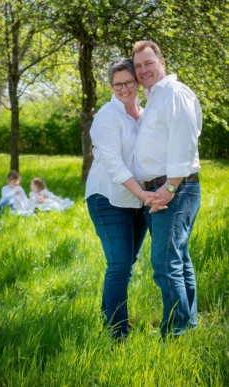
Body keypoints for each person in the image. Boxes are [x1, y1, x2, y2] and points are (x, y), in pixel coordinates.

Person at [85, 58, 165, 341]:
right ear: (111, 86)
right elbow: (115, 166)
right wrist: (143, 193)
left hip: (136, 203)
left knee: (125, 266)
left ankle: (108, 319)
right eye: (117, 84)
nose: (124, 88)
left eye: (129, 82)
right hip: (107, 198)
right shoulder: (107, 116)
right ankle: (117, 334)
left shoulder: (145, 114)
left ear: (137, 82)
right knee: (119, 265)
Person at [132, 40, 202, 339]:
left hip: (175, 187)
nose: (143, 70)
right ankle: (188, 324)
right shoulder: (154, 99)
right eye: (137, 66)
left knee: (164, 263)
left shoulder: (174, 92)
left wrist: (170, 186)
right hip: (162, 188)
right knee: (178, 259)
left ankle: (175, 334)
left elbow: (184, 139)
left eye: (148, 63)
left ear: (162, 61)